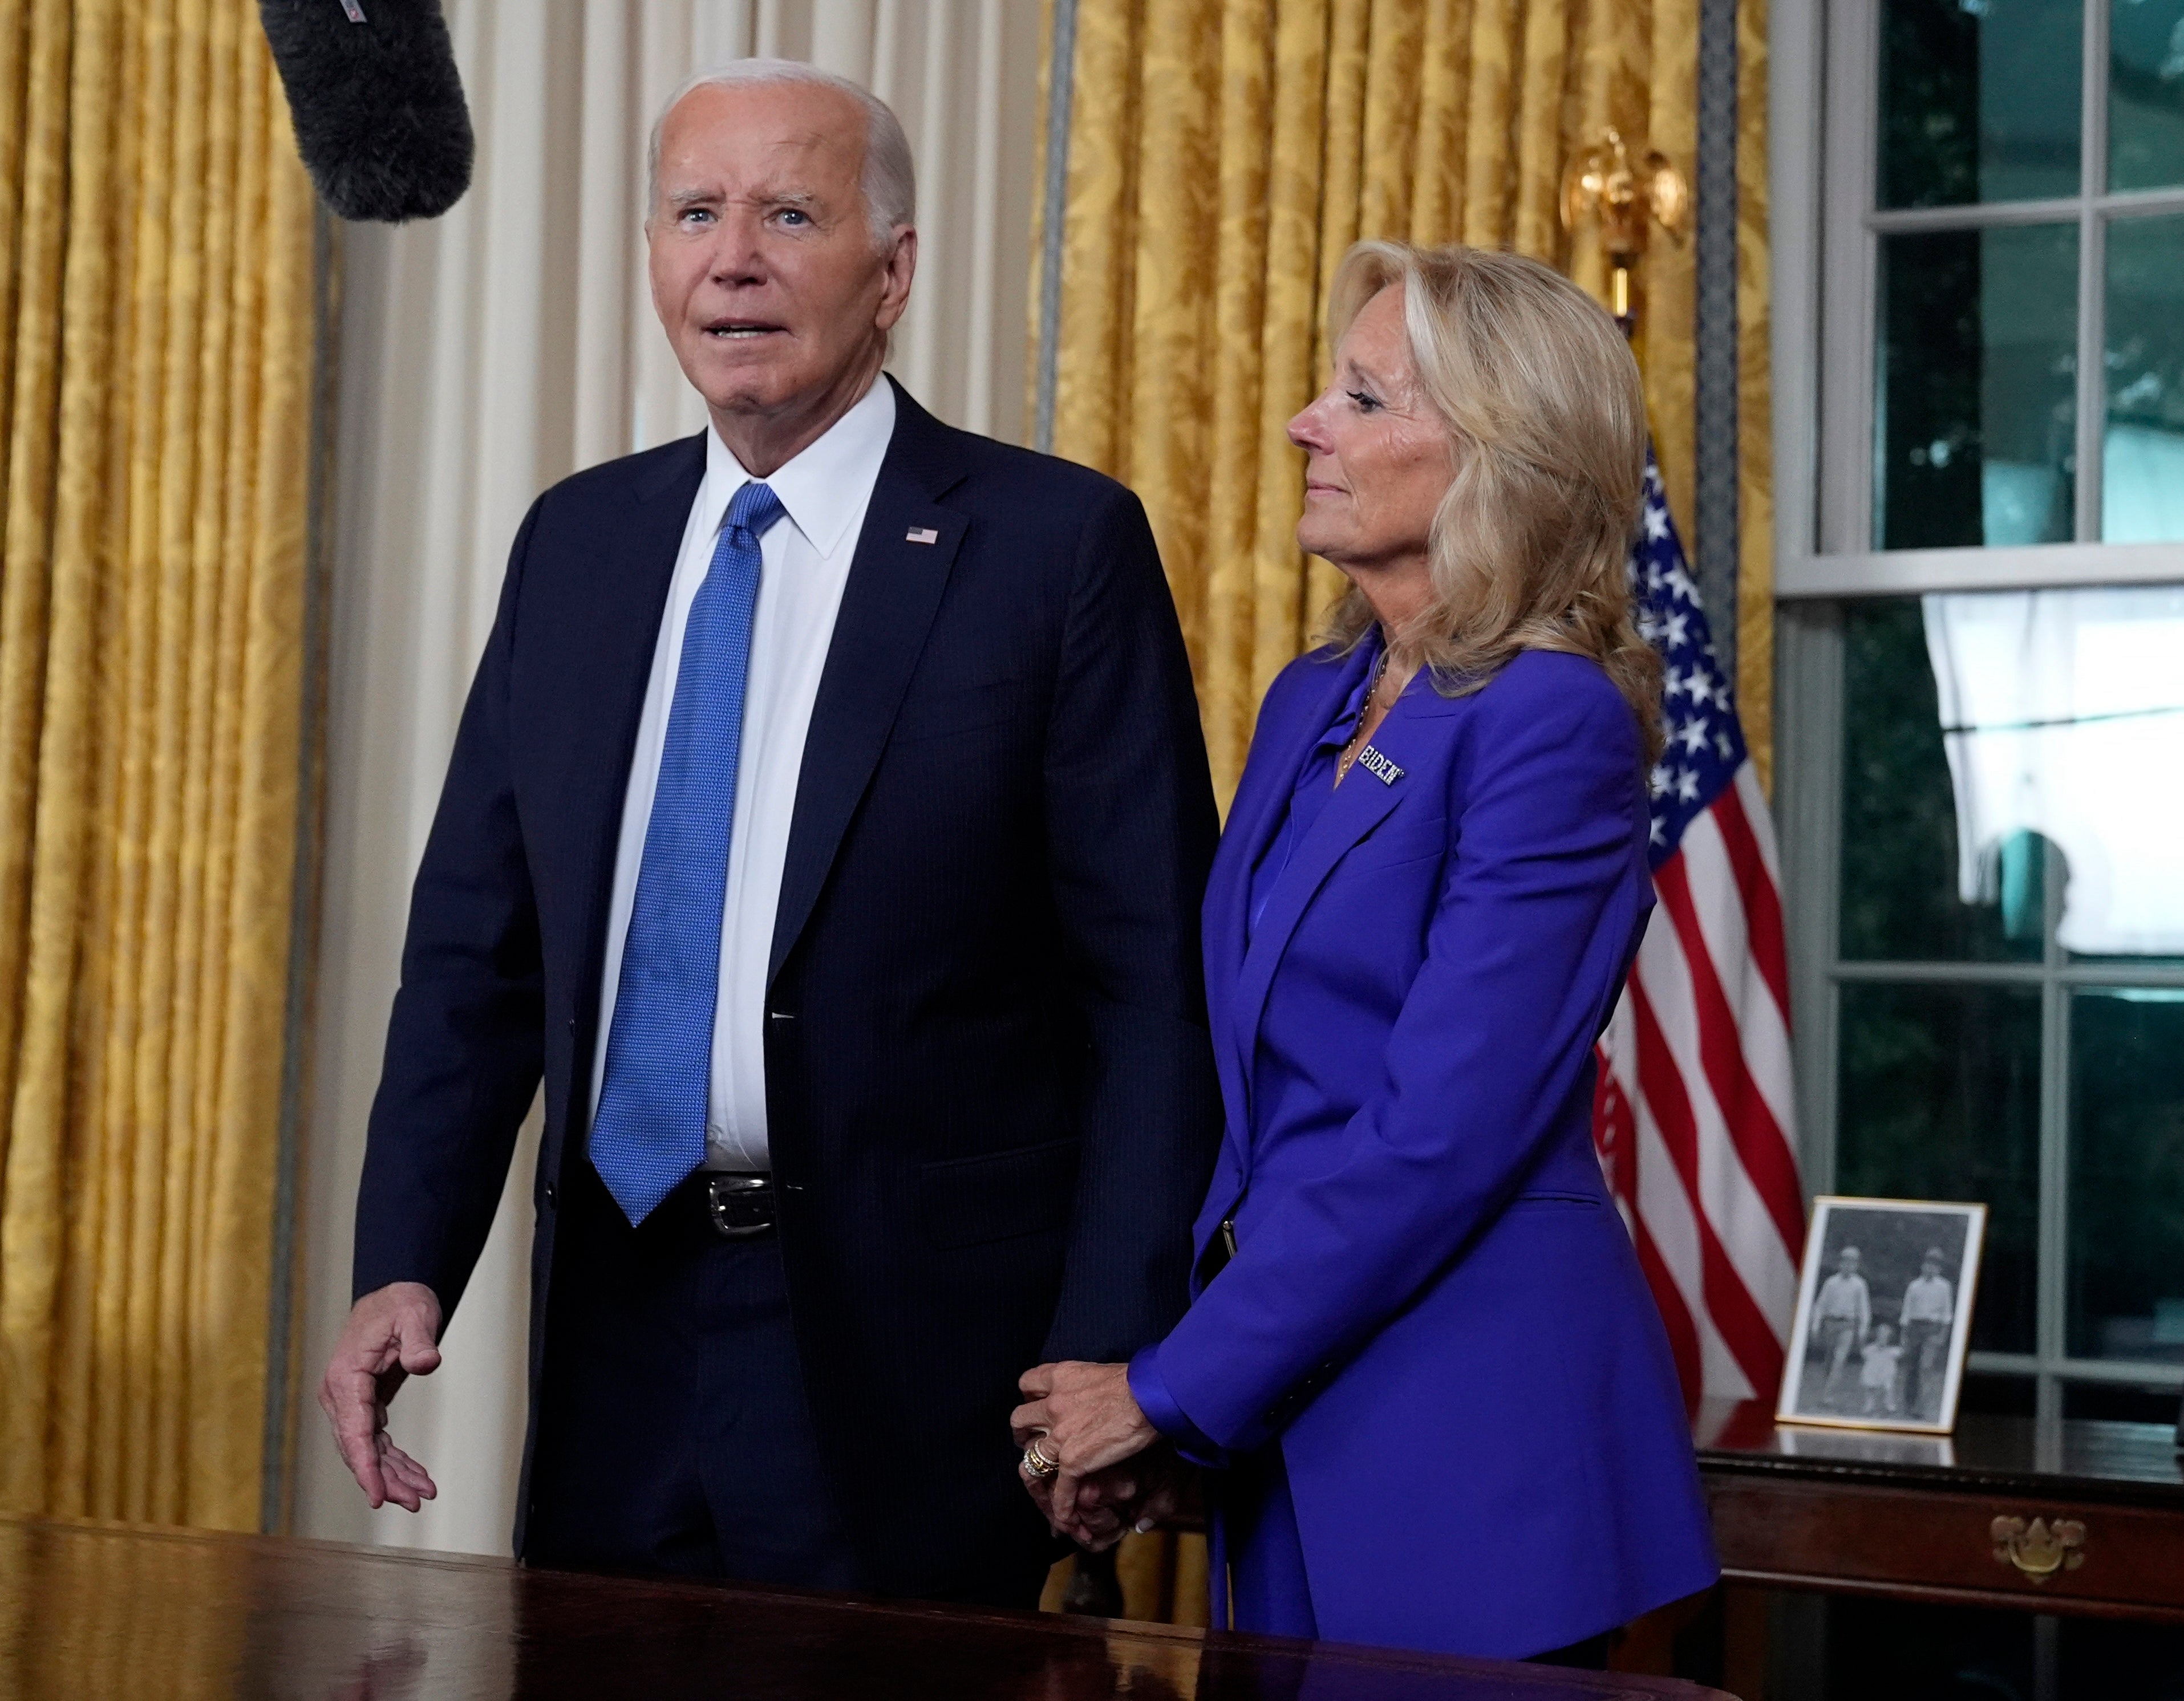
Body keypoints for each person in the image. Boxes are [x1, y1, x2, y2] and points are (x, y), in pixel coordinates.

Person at [318, 60, 1221, 1606]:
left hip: (920, 1349)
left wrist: (1113, 1340)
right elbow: (476, 949)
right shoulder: (578, 542)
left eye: (787, 213)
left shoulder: (1052, 547)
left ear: (893, 269)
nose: (728, 257)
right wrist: (405, 1252)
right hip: (619, 1316)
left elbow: (1151, 988)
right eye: (692, 212)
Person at [1008, 242, 1717, 1663]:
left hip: (1473, 1452)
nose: (1304, 425)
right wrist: (1193, 1419)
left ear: (1500, 458)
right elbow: (1259, 1104)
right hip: (1293, 1427)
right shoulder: (1313, 701)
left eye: (1363, 398)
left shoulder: (1555, 724)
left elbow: (1435, 1136)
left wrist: (1168, 1385)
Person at [1812, 1247, 1873, 1408]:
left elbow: (1864, 1309)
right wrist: (1816, 1325)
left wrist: (1863, 1329)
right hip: (1831, 1324)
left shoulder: (1860, 1285)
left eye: (1852, 1263)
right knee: (1829, 1361)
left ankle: (1828, 1396)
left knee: (1840, 1360)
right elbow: (1821, 1305)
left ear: (1856, 1265)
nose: (1848, 1266)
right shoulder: (1831, 1283)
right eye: (1845, 1262)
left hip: (1848, 1326)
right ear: (1841, 1263)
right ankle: (1826, 1389)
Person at [1899, 1249, 1955, 1419]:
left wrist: (1942, 1335)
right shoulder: (1914, 1286)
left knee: (1926, 1367)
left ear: (1939, 1269)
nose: (1931, 1268)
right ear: (1923, 1266)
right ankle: (1908, 1404)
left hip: (1933, 1329)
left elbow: (1947, 1314)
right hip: (1915, 1328)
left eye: (1935, 1266)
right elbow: (1907, 1311)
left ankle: (1920, 1407)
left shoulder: (1944, 1287)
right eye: (1928, 1264)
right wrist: (1904, 1333)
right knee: (1912, 1367)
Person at [1859, 1324, 1902, 1415]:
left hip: (1886, 1373)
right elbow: (1864, 1354)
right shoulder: (1871, 1349)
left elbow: (1900, 1353)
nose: (1883, 1337)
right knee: (1871, 1389)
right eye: (1881, 1334)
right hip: (1873, 1371)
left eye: (1886, 1335)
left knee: (1888, 1388)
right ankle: (1869, 1405)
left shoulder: (1893, 1351)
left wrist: (1886, 1349)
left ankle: (1889, 1405)